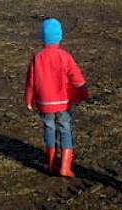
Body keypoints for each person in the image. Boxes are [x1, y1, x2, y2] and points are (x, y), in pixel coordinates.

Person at [25, 18, 89, 177]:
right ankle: (65, 167)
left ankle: (51, 164)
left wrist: (29, 99)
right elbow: (77, 77)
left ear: (42, 37)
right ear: (60, 36)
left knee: (49, 129)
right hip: (63, 102)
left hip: (44, 103)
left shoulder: (37, 57)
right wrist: (84, 93)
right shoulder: (65, 56)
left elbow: (30, 81)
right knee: (65, 129)